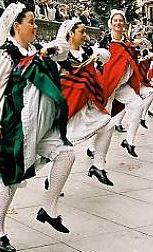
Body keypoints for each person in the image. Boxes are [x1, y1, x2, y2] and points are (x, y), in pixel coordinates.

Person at [0, 3, 73, 252]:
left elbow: (64, 51)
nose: (35, 26)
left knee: (66, 154)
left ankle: (49, 207)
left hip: (42, 126)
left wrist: (48, 50)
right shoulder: (5, 54)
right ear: (17, 26)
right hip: (15, 126)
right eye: (31, 22)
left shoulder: (35, 49)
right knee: (9, 181)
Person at [55, 18, 114, 185]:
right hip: (69, 105)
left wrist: (98, 54)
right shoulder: (62, 54)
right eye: (81, 32)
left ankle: (98, 166)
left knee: (108, 124)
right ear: (70, 34)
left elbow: (106, 57)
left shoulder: (87, 51)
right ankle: (52, 179)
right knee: (63, 148)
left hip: (86, 104)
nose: (85, 35)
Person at [99, 10, 153, 157]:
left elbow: (132, 52)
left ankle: (129, 142)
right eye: (115, 20)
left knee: (139, 105)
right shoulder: (105, 43)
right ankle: (92, 148)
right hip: (108, 87)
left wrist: (140, 44)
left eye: (120, 20)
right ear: (111, 24)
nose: (118, 22)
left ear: (124, 24)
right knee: (103, 120)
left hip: (123, 86)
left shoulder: (127, 42)